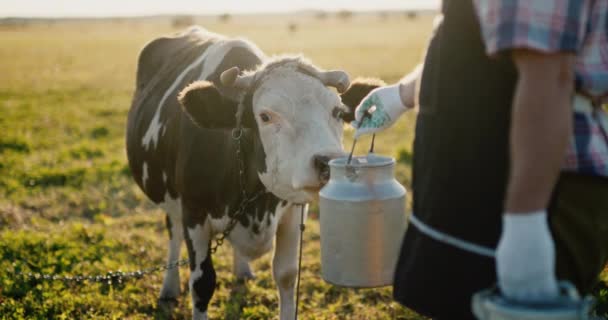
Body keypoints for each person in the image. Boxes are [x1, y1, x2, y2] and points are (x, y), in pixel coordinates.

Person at [354, 0, 608, 318]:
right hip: (480, 167)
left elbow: (550, 74)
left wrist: (525, 229)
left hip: (537, 186)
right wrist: (401, 95)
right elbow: (478, 51)